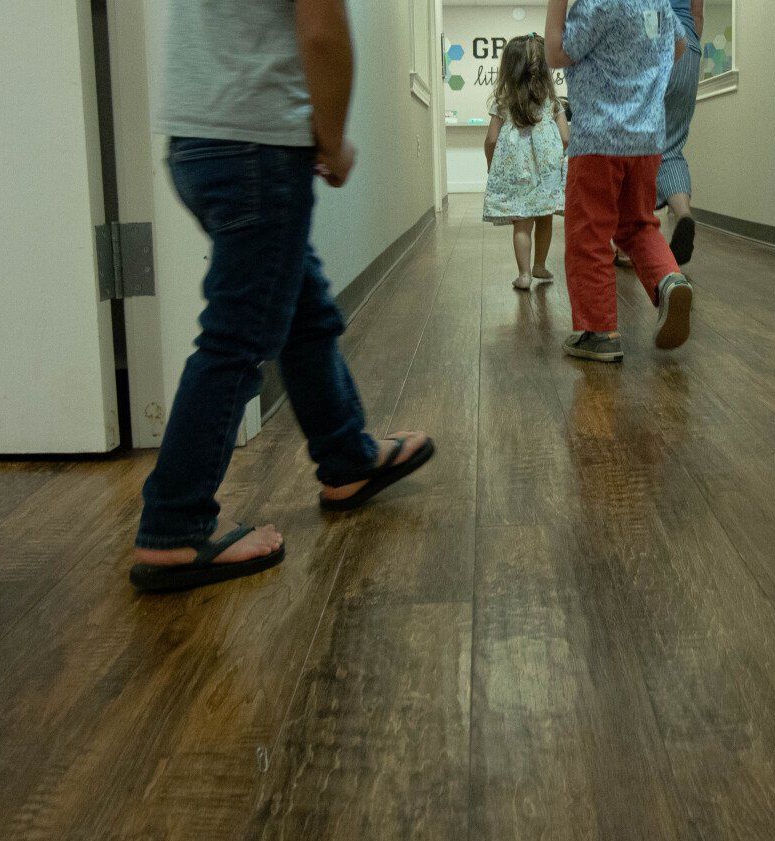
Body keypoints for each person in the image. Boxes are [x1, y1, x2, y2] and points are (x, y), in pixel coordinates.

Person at [130, 0, 436, 592]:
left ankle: (347, 458)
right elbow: (322, 28)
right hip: (256, 144)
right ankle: (174, 524)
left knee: (302, 311)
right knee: (238, 338)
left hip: (199, 139)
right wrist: (334, 140)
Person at [547, 0, 695, 364]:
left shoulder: (598, 3)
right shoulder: (658, 3)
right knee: (639, 226)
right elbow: (679, 47)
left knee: (589, 235)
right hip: (647, 141)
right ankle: (669, 280)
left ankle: (599, 333)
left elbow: (555, 52)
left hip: (599, 139)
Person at [482, 35, 570, 291]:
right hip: (546, 174)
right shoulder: (553, 104)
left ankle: (523, 275)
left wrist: (492, 165)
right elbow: (565, 137)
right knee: (545, 218)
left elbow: (491, 139)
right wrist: (554, 161)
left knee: (521, 222)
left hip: (516, 174)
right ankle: (539, 264)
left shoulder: (503, 104)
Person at [659, 0, 705, 264]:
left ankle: (626, 245)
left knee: (635, 148)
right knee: (671, 147)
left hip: (651, 41)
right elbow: (697, 15)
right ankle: (683, 213)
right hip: (688, 47)